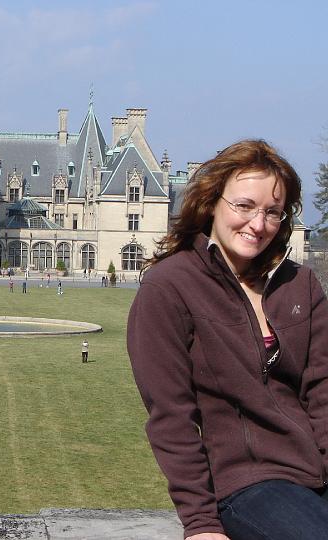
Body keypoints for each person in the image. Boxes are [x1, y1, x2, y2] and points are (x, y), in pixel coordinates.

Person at [127, 140, 328, 540]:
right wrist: (200, 523)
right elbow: (171, 417)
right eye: (244, 206)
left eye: (272, 212)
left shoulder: (299, 283)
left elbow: (322, 389)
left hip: (313, 471)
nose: (258, 224)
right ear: (211, 202)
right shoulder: (170, 287)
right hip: (248, 483)